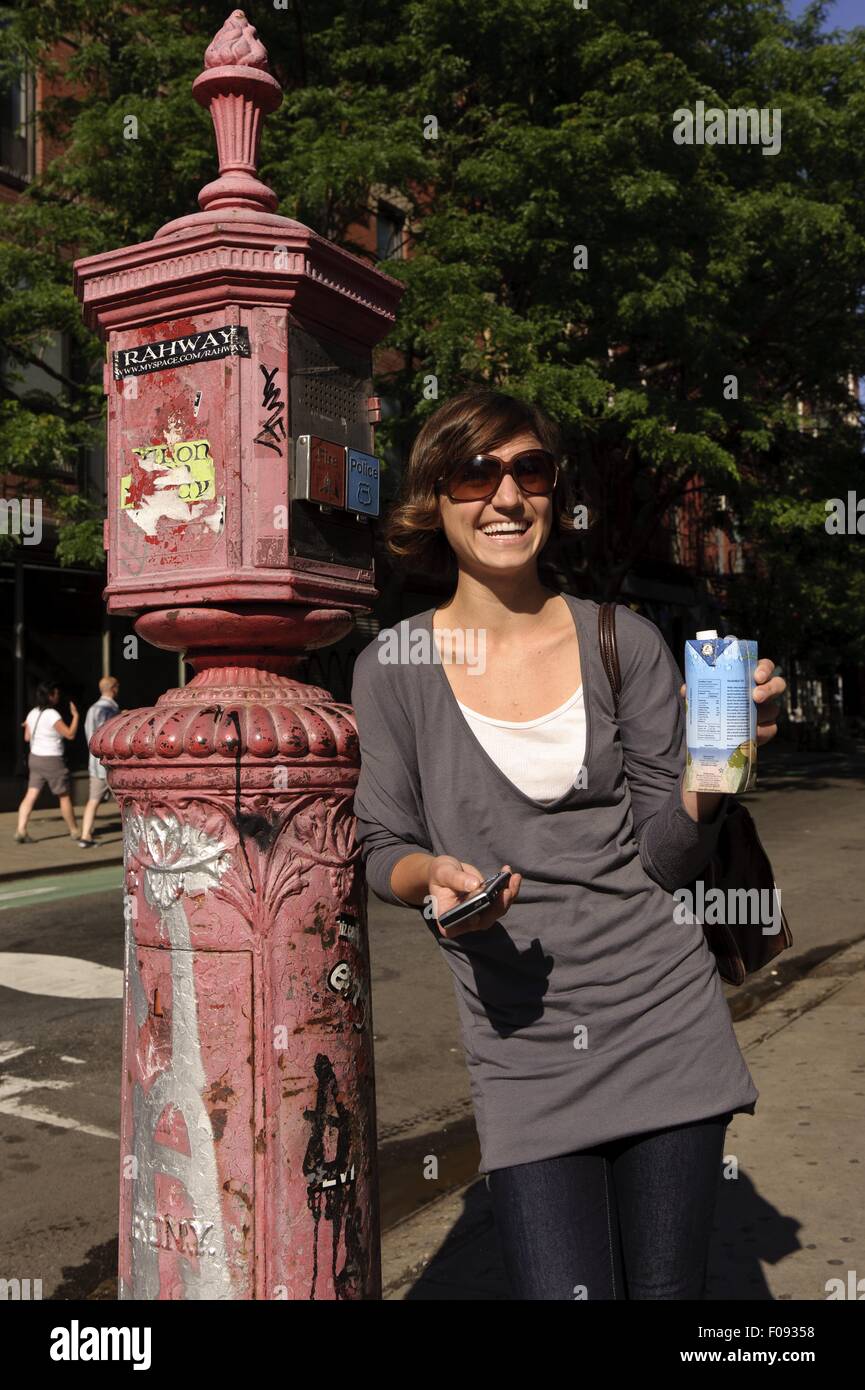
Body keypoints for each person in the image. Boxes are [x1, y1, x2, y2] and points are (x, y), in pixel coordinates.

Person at [350, 388, 786, 1301]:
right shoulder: (394, 667)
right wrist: (428, 873)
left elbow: (668, 859)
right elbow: (380, 840)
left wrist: (719, 767)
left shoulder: (620, 640)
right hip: (522, 1045)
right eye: (476, 472)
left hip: (664, 1023)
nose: (506, 497)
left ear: (552, 492)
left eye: (529, 471)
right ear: (435, 497)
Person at [15, 682, 80, 843]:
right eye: (56, 693)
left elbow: (27, 738)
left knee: (31, 794)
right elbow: (70, 734)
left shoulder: (32, 713)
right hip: (52, 760)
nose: (58, 696)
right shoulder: (52, 715)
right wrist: (76, 716)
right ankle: (74, 830)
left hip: (35, 758)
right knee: (63, 795)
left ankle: (21, 829)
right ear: (50, 696)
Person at [78, 676, 121, 848]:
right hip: (110, 764)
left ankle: (85, 835)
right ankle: (135, 833)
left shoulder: (92, 709)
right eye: (117, 687)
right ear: (113, 688)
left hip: (94, 763)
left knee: (93, 800)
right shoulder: (110, 709)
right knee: (123, 801)